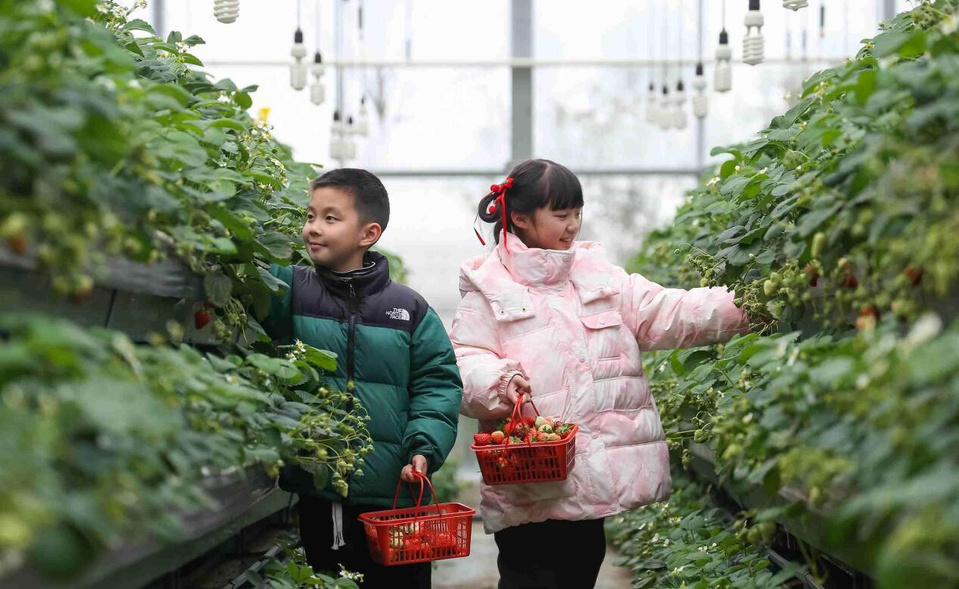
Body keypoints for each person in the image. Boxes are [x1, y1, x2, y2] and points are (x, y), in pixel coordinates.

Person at [451, 159, 750, 589]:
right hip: (528, 477)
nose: (573, 226)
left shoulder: (601, 278)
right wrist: (498, 380)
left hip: (589, 480)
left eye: (577, 213)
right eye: (560, 215)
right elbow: (464, 361)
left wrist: (752, 304)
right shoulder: (490, 289)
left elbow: (671, 311)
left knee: (580, 569)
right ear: (519, 218)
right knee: (528, 576)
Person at [264, 168, 462, 587]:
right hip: (324, 497)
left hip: (398, 501)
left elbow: (437, 385)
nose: (312, 228)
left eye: (330, 218)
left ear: (368, 233)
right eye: (310, 215)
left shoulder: (410, 310)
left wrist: (423, 448)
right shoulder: (289, 291)